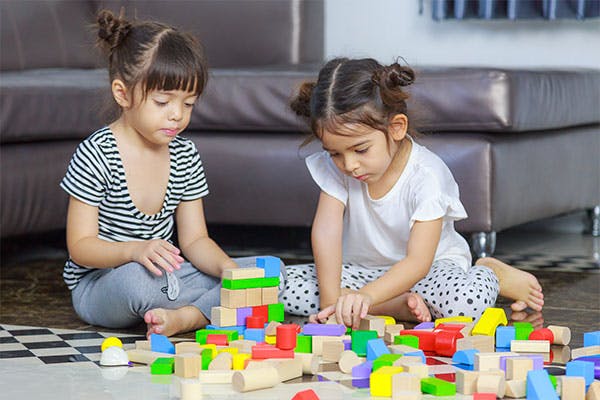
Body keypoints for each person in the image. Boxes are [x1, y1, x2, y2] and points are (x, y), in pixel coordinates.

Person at [284, 57, 544, 329]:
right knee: (279, 288)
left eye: (360, 150)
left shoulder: (427, 176)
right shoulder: (337, 168)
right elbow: (326, 233)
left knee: (466, 305)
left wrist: (363, 297)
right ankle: (395, 307)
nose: (349, 165)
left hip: (428, 272)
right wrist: (330, 303)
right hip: (361, 273)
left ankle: (490, 272)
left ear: (396, 127)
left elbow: (418, 261)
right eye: (335, 153)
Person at [61, 9, 269, 338]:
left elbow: (195, 240)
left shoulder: (185, 155)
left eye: (188, 104)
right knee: (137, 283)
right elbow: (81, 246)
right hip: (104, 284)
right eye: (163, 101)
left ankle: (186, 317)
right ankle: (211, 308)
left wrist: (228, 270)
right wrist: (134, 251)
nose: (177, 115)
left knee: (267, 272)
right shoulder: (96, 153)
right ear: (123, 93)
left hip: (167, 277)